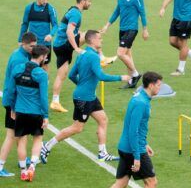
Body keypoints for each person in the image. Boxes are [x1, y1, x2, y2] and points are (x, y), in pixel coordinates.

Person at [86, 71, 163, 188]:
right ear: (151, 85)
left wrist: (145, 142)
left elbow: (135, 127)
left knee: (120, 183)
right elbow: (133, 131)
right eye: (158, 85)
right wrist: (137, 157)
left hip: (128, 147)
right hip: (133, 150)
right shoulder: (141, 102)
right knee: (151, 182)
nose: (160, 87)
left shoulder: (139, 97)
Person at [40, 30, 130, 163]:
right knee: (77, 128)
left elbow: (71, 75)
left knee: (103, 120)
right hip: (84, 98)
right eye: (99, 38)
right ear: (92, 41)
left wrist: (82, 85)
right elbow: (101, 76)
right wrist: (121, 77)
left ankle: (102, 153)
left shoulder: (82, 54)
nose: (102, 40)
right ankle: (47, 146)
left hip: (89, 96)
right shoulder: (93, 57)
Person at [7, 45, 50, 182]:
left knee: (22, 142)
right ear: (42, 57)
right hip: (36, 112)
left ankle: (23, 171)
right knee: (38, 139)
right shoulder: (41, 74)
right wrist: (46, 116)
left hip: (20, 111)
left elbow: (11, 92)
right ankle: (32, 166)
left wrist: (12, 108)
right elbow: (43, 98)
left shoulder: (17, 69)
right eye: (46, 56)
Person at [101, 0, 148, 88]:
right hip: (122, 29)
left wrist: (145, 29)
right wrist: (107, 25)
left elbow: (142, 12)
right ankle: (132, 81)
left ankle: (135, 74)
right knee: (127, 54)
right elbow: (117, 11)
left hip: (132, 29)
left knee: (120, 53)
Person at [0, 33, 36, 177]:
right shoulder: (18, 60)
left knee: (22, 132)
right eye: (31, 46)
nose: (33, 49)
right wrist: (13, 108)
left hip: (15, 101)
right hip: (13, 102)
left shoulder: (23, 55)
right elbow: (15, 85)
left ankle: (23, 159)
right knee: (11, 135)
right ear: (23, 44)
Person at [51, 0, 91, 113]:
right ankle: (102, 57)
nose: (90, 4)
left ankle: (55, 101)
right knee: (92, 34)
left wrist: (79, 36)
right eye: (89, 1)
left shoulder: (72, 11)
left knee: (61, 74)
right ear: (83, 1)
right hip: (64, 44)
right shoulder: (76, 14)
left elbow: (72, 31)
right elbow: (69, 32)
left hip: (58, 45)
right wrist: (76, 48)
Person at [18, 0, 57, 71]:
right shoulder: (29, 8)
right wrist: (20, 40)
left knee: (44, 66)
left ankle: (45, 83)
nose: (45, 1)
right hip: (31, 45)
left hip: (45, 45)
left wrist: (51, 34)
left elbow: (55, 25)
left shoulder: (50, 9)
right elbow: (25, 24)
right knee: (30, 65)